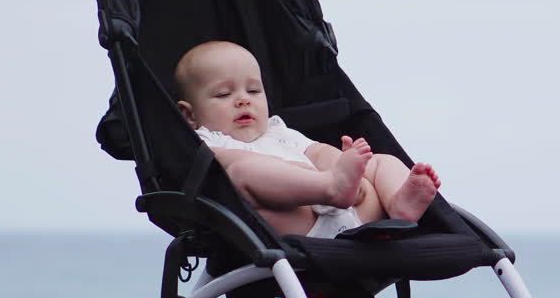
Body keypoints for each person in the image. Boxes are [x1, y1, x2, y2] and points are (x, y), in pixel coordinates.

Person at [173, 40, 441, 238]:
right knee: (242, 171)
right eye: (223, 95)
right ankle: (330, 187)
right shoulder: (207, 141)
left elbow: (316, 151)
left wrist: (339, 165)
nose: (243, 99)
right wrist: (326, 182)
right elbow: (234, 163)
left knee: (381, 160)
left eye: (253, 90)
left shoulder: (277, 131)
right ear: (189, 114)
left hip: (364, 213)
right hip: (302, 226)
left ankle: (399, 205)